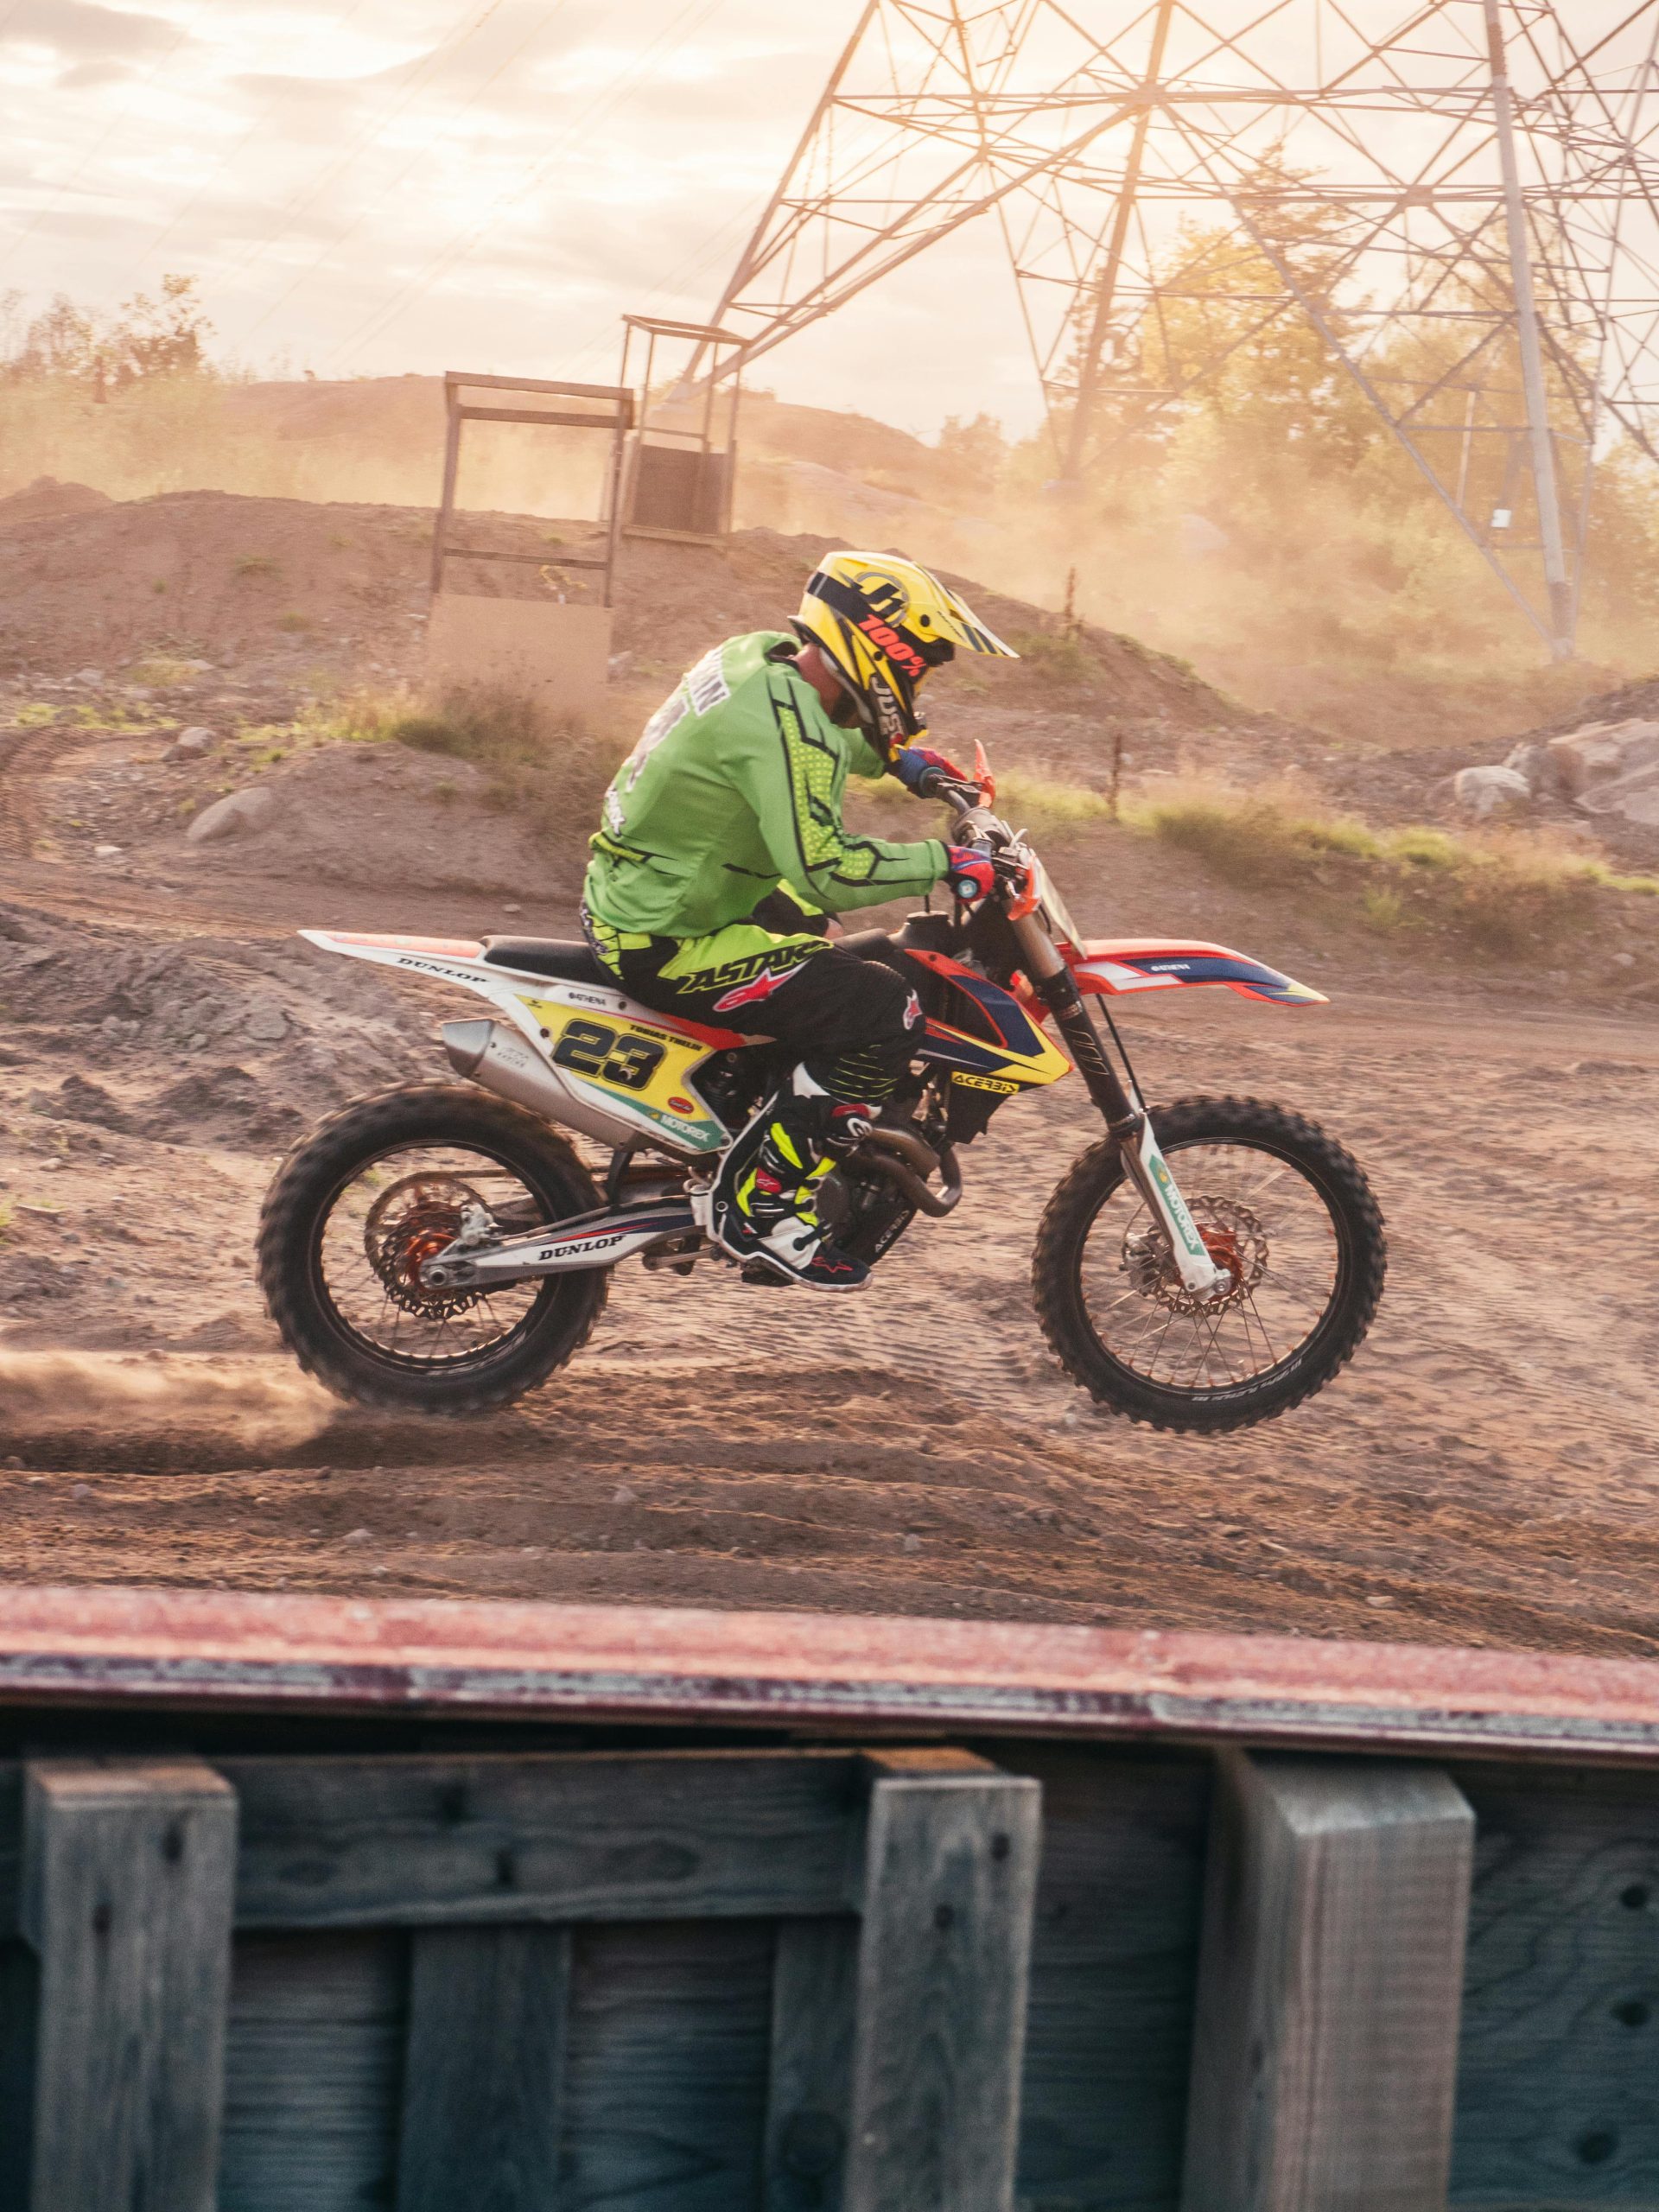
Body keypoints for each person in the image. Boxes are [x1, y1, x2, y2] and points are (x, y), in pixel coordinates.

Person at [582, 550, 1019, 1289]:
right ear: (882, 650)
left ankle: (744, 1116)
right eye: (918, 669)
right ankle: (762, 1208)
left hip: (667, 893)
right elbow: (828, 867)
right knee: (886, 1009)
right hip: (668, 935)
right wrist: (950, 865)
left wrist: (905, 764)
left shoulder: (758, 659)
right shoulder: (783, 719)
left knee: (836, 954)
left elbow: (812, 735)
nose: (916, 687)